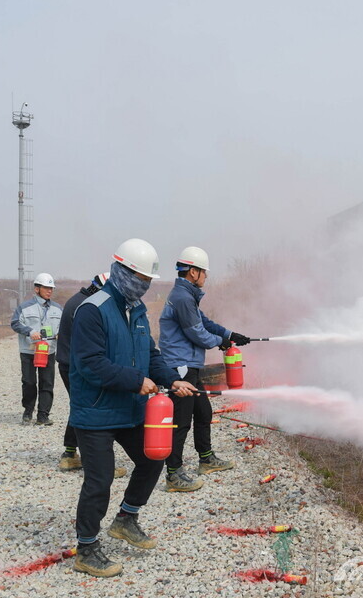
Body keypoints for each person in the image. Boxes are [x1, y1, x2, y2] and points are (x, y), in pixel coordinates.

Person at [69, 239, 195, 578]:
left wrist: (172, 379)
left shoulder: (137, 309)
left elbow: (150, 354)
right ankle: (87, 548)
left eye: (148, 280)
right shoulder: (92, 309)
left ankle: (126, 518)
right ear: (121, 270)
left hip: (129, 409)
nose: (144, 285)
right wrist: (135, 380)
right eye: (139, 277)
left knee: (154, 456)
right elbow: (89, 364)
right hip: (95, 412)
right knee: (100, 479)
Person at [158, 246, 250, 492]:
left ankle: (206, 459)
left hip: (190, 365)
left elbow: (204, 322)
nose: (206, 276)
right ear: (193, 272)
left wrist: (229, 334)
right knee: (181, 420)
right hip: (180, 367)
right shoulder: (182, 298)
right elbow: (196, 332)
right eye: (204, 272)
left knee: (202, 412)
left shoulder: (186, 296)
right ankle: (174, 474)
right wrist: (219, 342)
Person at [55, 272, 125, 478]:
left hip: (69, 364)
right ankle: (98, 464)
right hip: (79, 367)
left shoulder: (77, 301)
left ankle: (69, 454)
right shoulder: (88, 307)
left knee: (80, 406)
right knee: (94, 411)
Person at [10, 272, 64, 425]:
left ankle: (43, 416)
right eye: (46, 288)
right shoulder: (25, 308)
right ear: (37, 289)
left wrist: (61, 333)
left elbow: (64, 326)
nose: (49, 291)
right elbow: (15, 323)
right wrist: (29, 331)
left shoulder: (58, 309)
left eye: (51, 288)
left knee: (47, 383)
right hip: (29, 351)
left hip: (49, 351)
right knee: (29, 382)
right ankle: (28, 410)